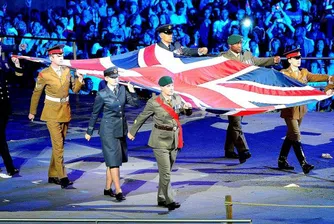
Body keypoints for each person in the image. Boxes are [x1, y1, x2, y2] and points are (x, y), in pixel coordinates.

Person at [127, 76, 192, 211]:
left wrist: (188, 108)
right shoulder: (154, 102)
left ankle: (161, 197)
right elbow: (142, 117)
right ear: (161, 88)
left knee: (166, 172)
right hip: (160, 140)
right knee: (166, 173)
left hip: (174, 138)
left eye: (172, 85)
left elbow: (186, 113)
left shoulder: (177, 98)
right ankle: (169, 200)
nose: (171, 88)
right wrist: (132, 132)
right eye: (168, 86)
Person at [28, 45, 83, 188]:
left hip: (65, 111)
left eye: (62, 56)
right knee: (58, 145)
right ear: (51, 58)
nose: (61, 58)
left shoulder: (67, 71)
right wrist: (32, 111)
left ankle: (53, 174)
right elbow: (36, 93)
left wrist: (80, 80)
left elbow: (75, 89)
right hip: (51, 113)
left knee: (59, 145)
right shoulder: (44, 74)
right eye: (58, 56)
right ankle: (62, 176)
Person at [219, 34, 281, 163]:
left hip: (245, 92)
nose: (240, 46)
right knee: (236, 121)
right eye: (237, 44)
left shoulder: (246, 54)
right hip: (231, 93)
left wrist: (272, 60)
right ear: (230, 45)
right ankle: (243, 150)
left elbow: (257, 61)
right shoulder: (223, 57)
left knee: (234, 122)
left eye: (241, 43)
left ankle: (229, 150)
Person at [85, 66, 139, 201]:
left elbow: (135, 104)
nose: (116, 80)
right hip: (108, 131)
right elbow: (95, 113)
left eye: (117, 77)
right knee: (114, 162)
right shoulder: (102, 94)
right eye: (113, 78)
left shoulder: (122, 90)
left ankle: (107, 188)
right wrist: (89, 131)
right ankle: (119, 190)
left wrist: (132, 92)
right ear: (106, 78)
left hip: (120, 129)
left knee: (113, 160)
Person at [277, 47, 334, 174]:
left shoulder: (304, 72)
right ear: (289, 60)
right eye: (296, 58)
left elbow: (315, 77)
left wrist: (329, 78)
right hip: (289, 109)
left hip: (301, 109)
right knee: (296, 135)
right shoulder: (284, 74)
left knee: (291, 135)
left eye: (300, 57)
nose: (299, 60)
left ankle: (282, 160)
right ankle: (304, 163)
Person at [0, 46, 22, 178]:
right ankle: (10, 167)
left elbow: (17, 78)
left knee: (1, 137)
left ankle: (10, 167)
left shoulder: (3, 65)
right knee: (1, 138)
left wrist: (17, 65)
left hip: (3, 108)